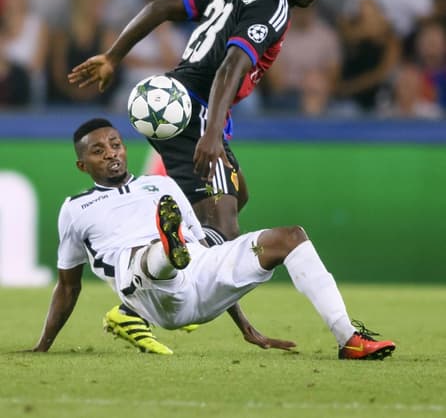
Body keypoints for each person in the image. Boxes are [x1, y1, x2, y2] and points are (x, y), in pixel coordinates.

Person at [68, 0, 329, 351]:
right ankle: (140, 304)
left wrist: (113, 56)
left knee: (236, 197)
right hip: (191, 110)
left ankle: (158, 269)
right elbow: (229, 66)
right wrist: (210, 132)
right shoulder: (274, 4)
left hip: (177, 100)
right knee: (224, 227)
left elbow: (159, 7)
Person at [31, 118, 396, 361]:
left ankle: (348, 339)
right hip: (149, 293)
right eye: (99, 150)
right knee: (156, 254)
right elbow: (68, 287)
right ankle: (166, 250)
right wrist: (43, 346)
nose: (111, 152)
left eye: (115, 144)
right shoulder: (75, 209)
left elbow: (210, 253)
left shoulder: (161, 185)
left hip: (197, 279)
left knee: (289, 238)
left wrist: (245, 326)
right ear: (83, 165)